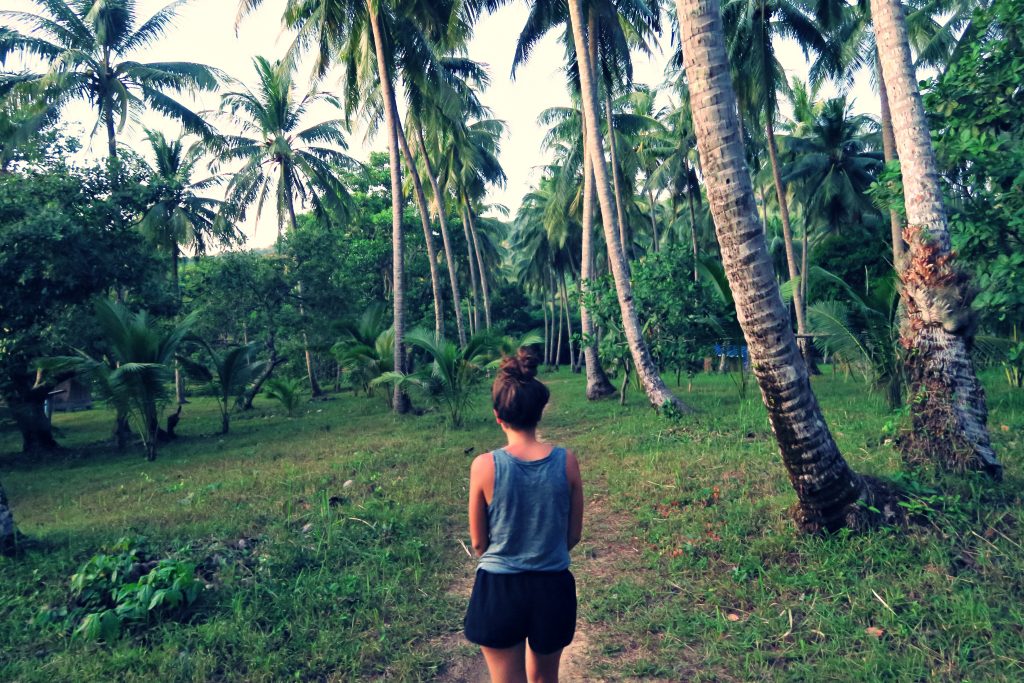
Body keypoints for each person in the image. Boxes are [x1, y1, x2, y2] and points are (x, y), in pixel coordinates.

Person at [464, 348, 584, 683]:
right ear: (539, 413)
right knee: (545, 679)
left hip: (499, 590)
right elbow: (572, 536)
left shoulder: (484, 466)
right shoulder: (567, 461)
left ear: (497, 416)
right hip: (552, 588)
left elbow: (478, 542)